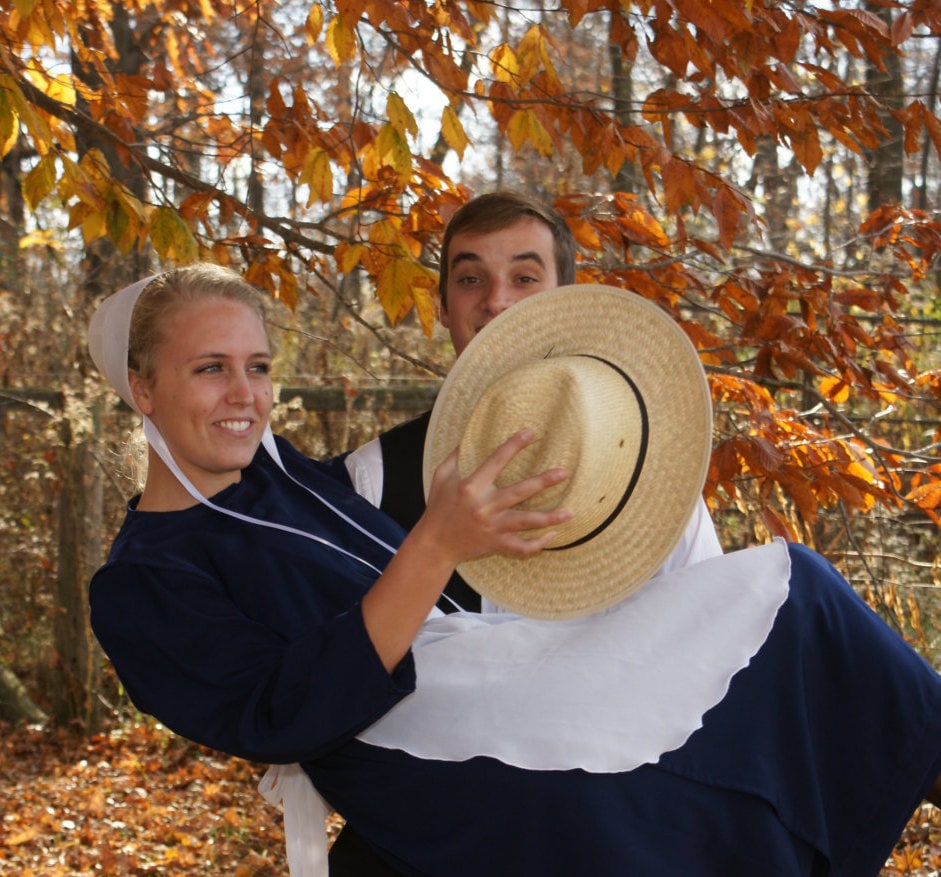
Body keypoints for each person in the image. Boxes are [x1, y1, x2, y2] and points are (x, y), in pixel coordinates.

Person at [87, 264, 941, 877]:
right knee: (648, 774)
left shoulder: (276, 475)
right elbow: (277, 715)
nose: (244, 393)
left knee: (785, 588)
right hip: (419, 743)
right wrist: (436, 544)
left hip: (490, 653)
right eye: (210, 368)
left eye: (258, 366)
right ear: (142, 387)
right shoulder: (144, 580)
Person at [343, 191, 722, 619]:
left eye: (524, 278)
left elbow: (711, 632)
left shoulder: (655, 471)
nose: (497, 301)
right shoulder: (374, 478)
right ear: (443, 306)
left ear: (565, 299)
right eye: (471, 279)